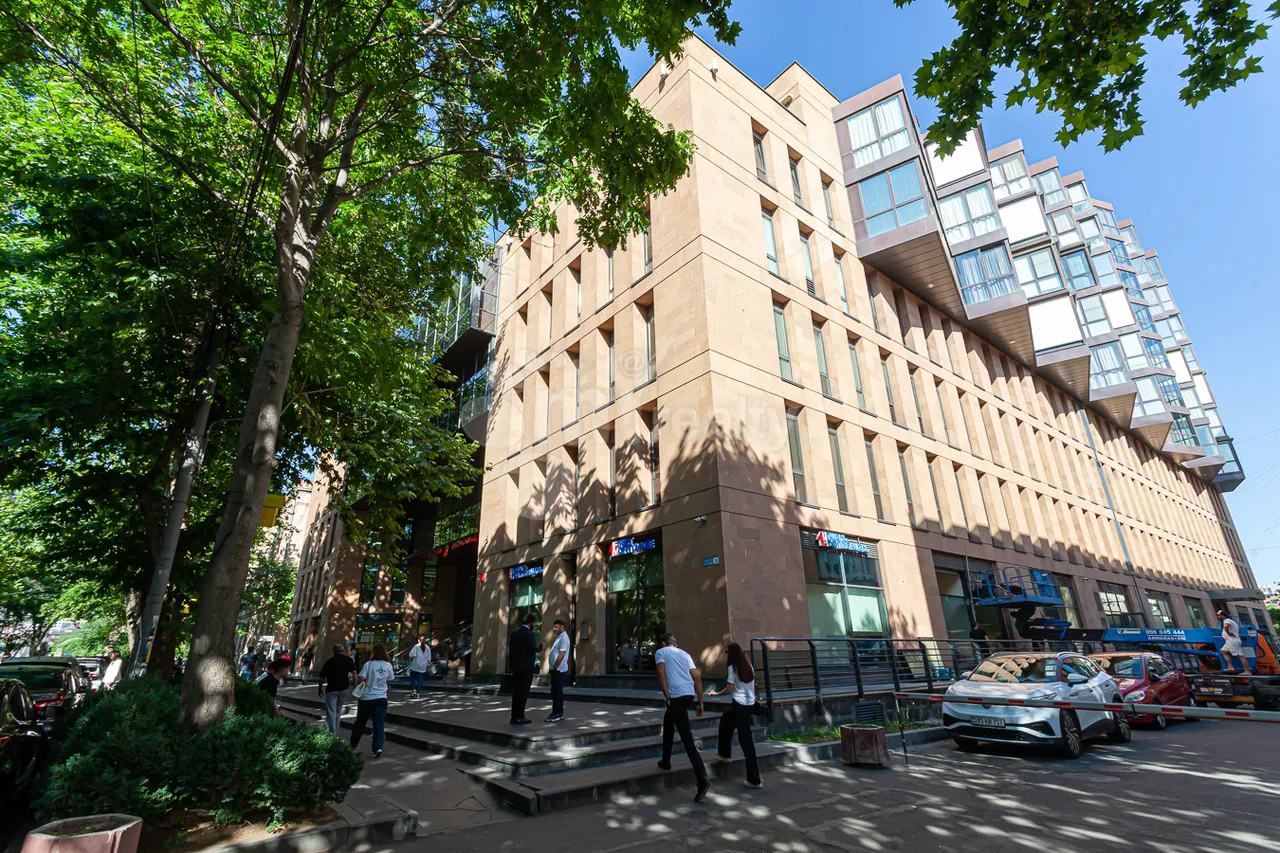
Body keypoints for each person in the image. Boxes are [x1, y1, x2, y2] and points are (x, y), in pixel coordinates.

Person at [654, 633, 710, 802]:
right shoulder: (685, 654)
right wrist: (700, 702)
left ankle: (702, 779)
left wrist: (667, 697)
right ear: (675, 644)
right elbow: (697, 677)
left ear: (663, 643)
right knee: (668, 722)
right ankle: (665, 761)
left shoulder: (661, 652)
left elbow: (661, 674)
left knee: (687, 739)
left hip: (676, 696)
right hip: (689, 695)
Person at [706, 642, 761, 789]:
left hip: (739, 705)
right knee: (726, 720)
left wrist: (716, 694)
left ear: (731, 654)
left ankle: (754, 780)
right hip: (749, 705)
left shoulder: (732, 668)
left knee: (746, 741)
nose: (726, 656)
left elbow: (729, 689)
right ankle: (724, 754)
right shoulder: (749, 666)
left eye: (727, 653)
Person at [351, 643, 394, 758]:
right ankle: (378, 747)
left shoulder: (368, 664)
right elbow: (389, 679)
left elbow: (361, 677)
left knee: (360, 723)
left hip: (367, 698)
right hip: (381, 697)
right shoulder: (388, 665)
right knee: (379, 723)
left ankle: (352, 745)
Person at [508, 613, 541, 725]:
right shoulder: (529, 634)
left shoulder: (514, 633)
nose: (534, 625)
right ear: (531, 623)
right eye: (534, 623)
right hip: (526, 669)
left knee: (516, 693)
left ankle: (514, 716)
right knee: (523, 693)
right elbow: (532, 649)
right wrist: (540, 647)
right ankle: (520, 716)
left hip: (515, 668)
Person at [317, 644, 357, 735]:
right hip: (344, 688)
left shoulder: (329, 661)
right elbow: (354, 673)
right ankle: (336, 729)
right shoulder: (348, 660)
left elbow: (322, 678)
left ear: (334, 652)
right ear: (342, 650)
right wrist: (355, 685)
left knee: (331, 711)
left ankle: (332, 732)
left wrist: (320, 689)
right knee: (338, 710)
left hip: (331, 689)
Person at [546, 619, 571, 722]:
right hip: (557, 669)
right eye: (554, 627)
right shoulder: (560, 637)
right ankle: (558, 713)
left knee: (556, 692)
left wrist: (555, 668)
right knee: (557, 692)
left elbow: (561, 655)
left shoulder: (563, 638)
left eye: (556, 627)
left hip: (559, 670)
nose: (554, 629)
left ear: (562, 626)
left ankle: (556, 713)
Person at [407, 635, 432, 699]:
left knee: (412, 678)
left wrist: (411, 660)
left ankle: (413, 689)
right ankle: (418, 693)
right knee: (420, 679)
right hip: (423, 666)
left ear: (419, 640)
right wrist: (428, 665)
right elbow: (429, 658)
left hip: (415, 665)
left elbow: (412, 655)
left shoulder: (416, 646)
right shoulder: (428, 648)